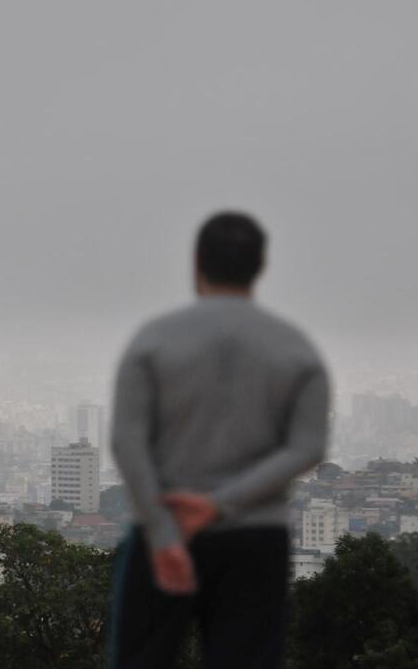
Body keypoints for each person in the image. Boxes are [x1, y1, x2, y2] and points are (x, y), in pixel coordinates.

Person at [108, 211, 330, 668]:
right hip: (256, 536)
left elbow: (127, 440)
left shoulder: (152, 341)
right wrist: (222, 504)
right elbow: (307, 447)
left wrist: (167, 532)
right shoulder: (297, 349)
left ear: (196, 263)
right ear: (260, 266)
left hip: (164, 533)